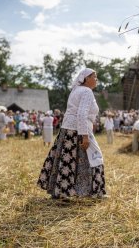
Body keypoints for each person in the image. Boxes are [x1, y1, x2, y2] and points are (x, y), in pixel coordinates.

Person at [37, 68, 106, 199]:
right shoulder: (87, 91)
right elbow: (81, 113)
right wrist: (84, 136)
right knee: (94, 158)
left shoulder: (75, 90)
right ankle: (95, 192)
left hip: (67, 129)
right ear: (86, 79)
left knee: (65, 160)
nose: (96, 79)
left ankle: (61, 191)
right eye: (94, 77)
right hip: (79, 130)